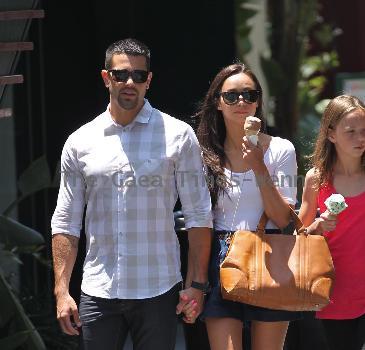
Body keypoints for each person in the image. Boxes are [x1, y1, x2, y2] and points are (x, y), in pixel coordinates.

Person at [51, 38, 212, 350]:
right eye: (120, 74)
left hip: (158, 288)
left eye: (139, 76)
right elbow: (66, 222)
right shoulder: (80, 141)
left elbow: (199, 215)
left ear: (148, 81)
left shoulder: (179, 135)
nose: (129, 82)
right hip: (98, 289)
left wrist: (197, 285)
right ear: (105, 77)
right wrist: (61, 291)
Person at [195, 62, 302, 350]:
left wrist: (258, 165)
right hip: (221, 255)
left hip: (269, 252)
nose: (241, 101)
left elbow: (283, 219)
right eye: (231, 96)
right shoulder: (202, 153)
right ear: (218, 102)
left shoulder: (280, 149)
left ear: (258, 102)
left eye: (249, 95)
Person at [298, 95, 365, 350]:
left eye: (364, 131)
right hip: (334, 292)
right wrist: (319, 225)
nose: (360, 139)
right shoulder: (317, 179)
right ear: (331, 134)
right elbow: (300, 234)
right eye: (351, 132)